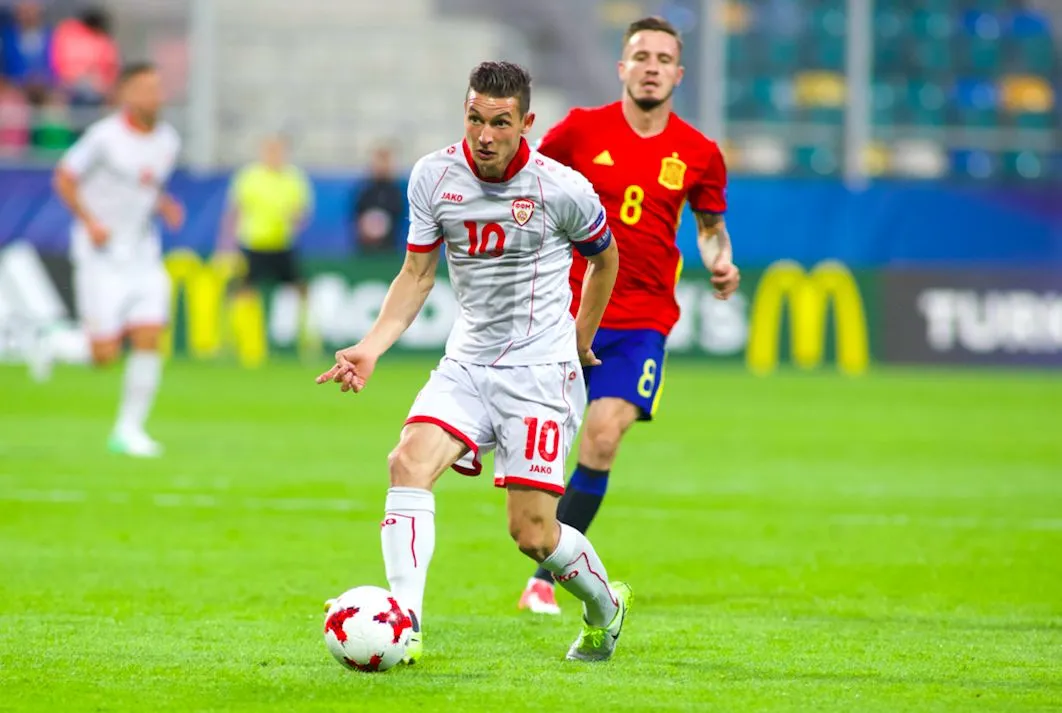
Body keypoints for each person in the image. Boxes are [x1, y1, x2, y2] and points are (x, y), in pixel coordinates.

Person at [318, 61, 631, 664]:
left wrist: (579, 339)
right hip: (467, 363)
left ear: (526, 124)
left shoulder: (560, 188)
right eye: (474, 119)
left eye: (499, 122)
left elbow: (604, 260)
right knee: (407, 462)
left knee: (533, 534)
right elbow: (416, 274)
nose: (484, 134)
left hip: (540, 374)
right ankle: (404, 623)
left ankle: (603, 608)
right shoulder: (433, 176)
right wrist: (371, 345)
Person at [517, 16, 742, 614]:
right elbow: (530, 187)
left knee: (603, 434)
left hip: (642, 320)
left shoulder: (700, 153)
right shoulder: (579, 132)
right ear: (622, 67)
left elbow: (711, 228)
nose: (651, 66)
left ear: (678, 73)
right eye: (640, 55)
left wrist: (722, 263)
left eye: (663, 58)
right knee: (539, 437)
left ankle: (546, 578)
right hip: (569, 312)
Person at [52, 61, 183, 457]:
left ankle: (129, 430)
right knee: (104, 354)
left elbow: (144, 185)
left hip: (143, 251)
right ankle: (48, 343)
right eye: (144, 88)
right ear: (125, 95)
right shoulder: (103, 137)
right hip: (101, 252)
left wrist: (163, 204)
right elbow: (64, 176)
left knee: (149, 336)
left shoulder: (168, 141)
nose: (153, 95)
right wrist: (90, 220)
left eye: (157, 87)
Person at [350, 143, 405, 254]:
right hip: (365, 249)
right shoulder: (365, 190)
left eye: (385, 161)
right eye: (379, 161)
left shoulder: (397, 192)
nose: (381, 166)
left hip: (389, 248)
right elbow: (356, 216)